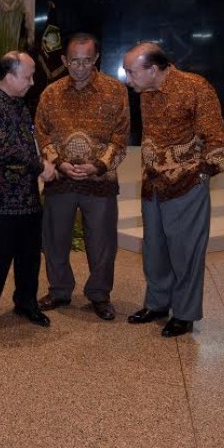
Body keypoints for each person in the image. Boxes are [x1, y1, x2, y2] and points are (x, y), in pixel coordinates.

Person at [122, 42, 224, 337]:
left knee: (186, 253)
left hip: (186, 187)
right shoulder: (146, 93)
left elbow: (217, 138)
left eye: (131, 72)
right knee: (154, 250)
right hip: (153, 185)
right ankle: (157, 304)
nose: (128, 79)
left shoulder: (195, 87)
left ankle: (184, 314)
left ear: (153, 69)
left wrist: (197, 175)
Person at [34, 33, 130, 321]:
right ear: (64, 60)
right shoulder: (50, 93)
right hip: (60, 179)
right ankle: (60, 289)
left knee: (102, 242)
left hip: (99, 181)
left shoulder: (115, 91)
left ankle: (99, 294)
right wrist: (60, 163)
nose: (80, 67)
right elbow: (42, 134)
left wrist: (98, 166)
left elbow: (121, 136)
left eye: (86, 61)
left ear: (96, 59)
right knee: (55, 239)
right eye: (74, 61)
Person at [0, 51, 55, 334]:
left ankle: (26, 303)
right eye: (28, 76)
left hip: (28, 199)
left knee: (29, 258)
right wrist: (40, 166)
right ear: (9, 75)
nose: (32, 82)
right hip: (0, 201)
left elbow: (27, 144)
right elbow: (2, 150)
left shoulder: (21, 106)